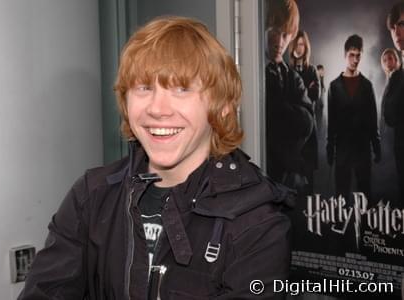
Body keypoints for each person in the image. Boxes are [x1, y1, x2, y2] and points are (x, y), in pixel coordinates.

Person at [18, 16, 292, 299]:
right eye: (144, 88)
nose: (158, 109)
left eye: (182, 88)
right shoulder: (92, 196)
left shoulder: (258, 221)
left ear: (221, 106)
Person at [265, 0, 314, 191]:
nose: (279, 41)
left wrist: (278, 109)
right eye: (274, 31)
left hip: (286, 177)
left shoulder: (293, 78)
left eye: (285, 34)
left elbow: (307, 124)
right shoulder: (253, 74)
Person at [326, 34, 381, 200]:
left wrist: (376, 145)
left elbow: (373, 117)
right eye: (352, 55)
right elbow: (332, 120)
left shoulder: (366, 85)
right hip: (342, 147)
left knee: (365, 193)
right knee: (341, 194)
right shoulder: (334, 86)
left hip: (362, 147)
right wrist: (330, 147)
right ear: (345, 55)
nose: (355, 59)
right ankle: (340, 225)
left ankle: (364, 226)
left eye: (358, 55)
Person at [289, 29, 320, 193]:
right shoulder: (286, 70)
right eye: (296, 43)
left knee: (308, 186)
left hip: (308, 131)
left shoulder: (312, 70)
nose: (298, 48)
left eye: (301, 44)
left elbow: (315, 95)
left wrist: (299, 95)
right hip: (290, 133)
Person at [383, 1, 404, 200]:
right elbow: (388, 115)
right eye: (393, 27)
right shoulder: (397, 76)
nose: (397, 31)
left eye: (402, 24)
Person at [315, 64, 326, 134]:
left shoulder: (322, 82)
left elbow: (322, 97)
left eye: (323, 70)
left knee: (320, 124)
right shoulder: (315, 81)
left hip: (320, 107)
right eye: (321, 70)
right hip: (316, 107)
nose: (323, 72)